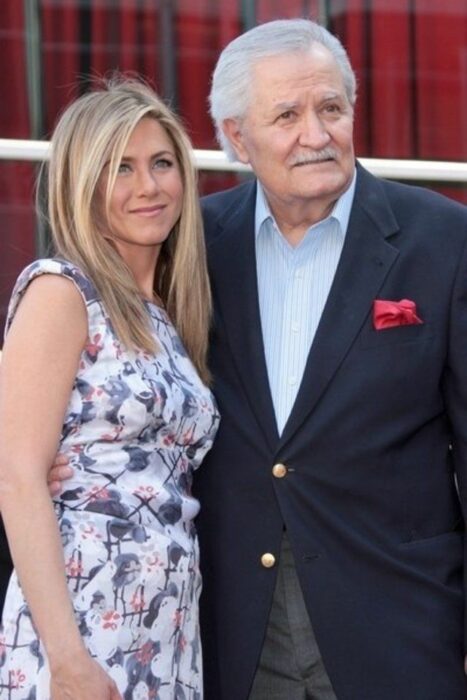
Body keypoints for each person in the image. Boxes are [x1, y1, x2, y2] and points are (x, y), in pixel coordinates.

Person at [192, 18, 467, 700]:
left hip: (399, 631)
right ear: (235, 137)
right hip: (231, 632)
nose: (315, 135)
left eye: (330, 109)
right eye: (285, 115)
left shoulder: (443, 240)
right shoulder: (192, 246)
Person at [0, 78, 219, 699]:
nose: (148, 187)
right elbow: (16, 474)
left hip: (167, 622)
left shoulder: (170, 313)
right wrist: (67, 661)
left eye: (161, 163)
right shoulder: (61, 293)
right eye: (119, 168)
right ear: (82, 182)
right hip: (82, 619)